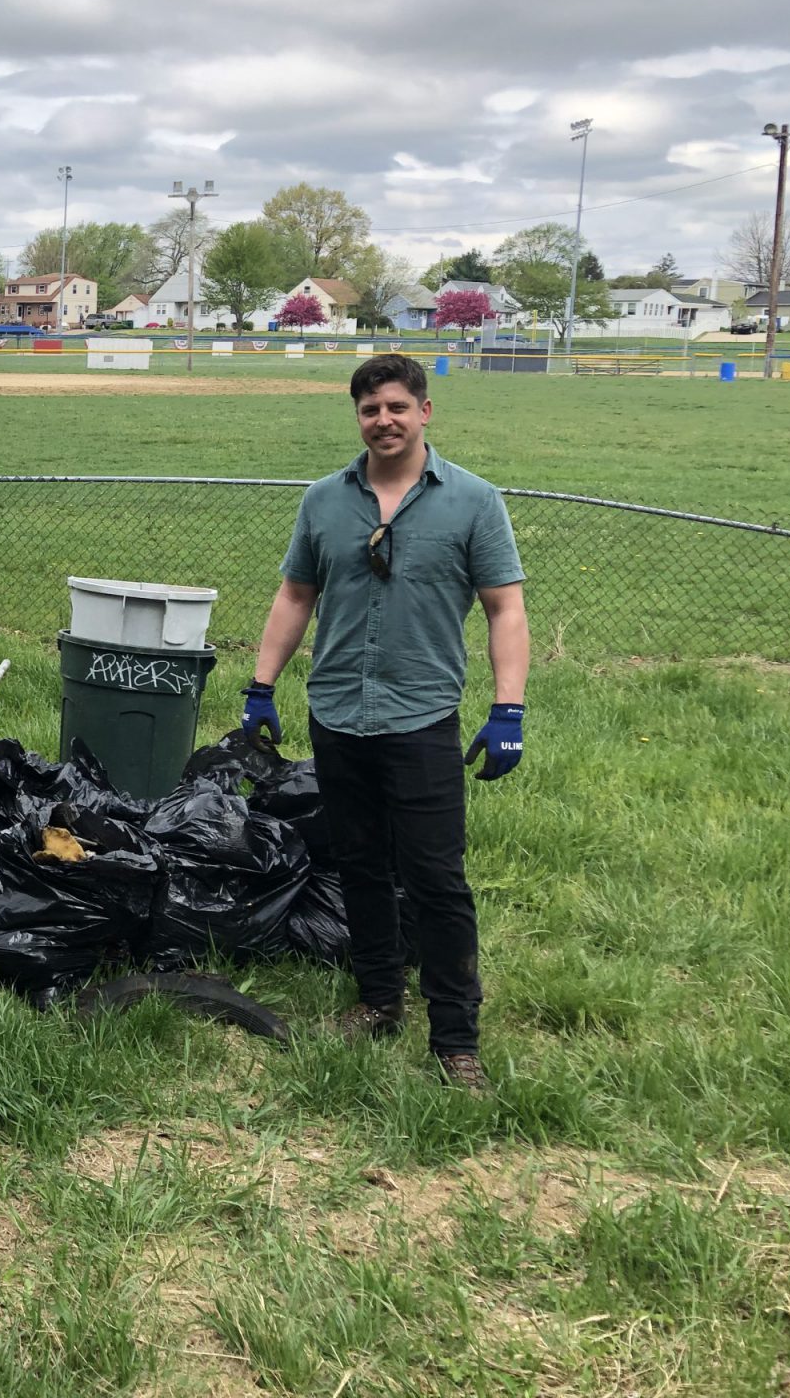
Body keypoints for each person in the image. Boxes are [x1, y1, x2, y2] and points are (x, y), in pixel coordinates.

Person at [242, 352, 528, 1093]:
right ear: (358, 417)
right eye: (370, 409)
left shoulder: (473, 502)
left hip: (421, 717)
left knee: (436, 879)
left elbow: (505, 608)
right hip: (338, 712)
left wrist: (508, 708)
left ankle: (456, 1039)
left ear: (424, 411)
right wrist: (261, 686)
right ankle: (377, 1001)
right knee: (361, 866)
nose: (384, 420)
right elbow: (295, 595)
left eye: (398, 407)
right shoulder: (324, 501)